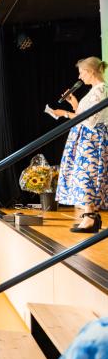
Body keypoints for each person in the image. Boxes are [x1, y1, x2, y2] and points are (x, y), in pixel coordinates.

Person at [52, 58, 108, 231]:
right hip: (86, 139)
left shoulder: (101, 90)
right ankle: (90, 216)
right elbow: (83, 115)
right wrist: (74, 103)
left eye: (82, 72)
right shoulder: (95, 91)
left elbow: (89, 120)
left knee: (87, 175)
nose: (79, 76)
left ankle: (90, 217)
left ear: (91, 71)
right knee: (83, 175)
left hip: (92, 140)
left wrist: (65, 113)